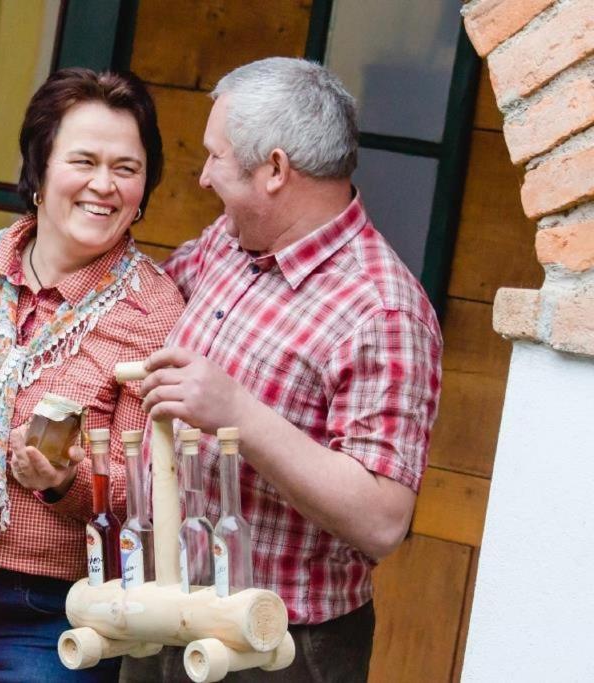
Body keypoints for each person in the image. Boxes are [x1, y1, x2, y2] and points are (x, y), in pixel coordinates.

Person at [121, 58, 443, 681]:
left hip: (279, 647)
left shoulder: (383, 312)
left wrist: (237, 413)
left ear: (274, 169)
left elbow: (382, 521)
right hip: (169, 616)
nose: (204, 174)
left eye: (217, 156)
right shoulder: (231, 240)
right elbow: (139, 298)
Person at [0, 68, 185, 682]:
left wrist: (62, 483)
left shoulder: (155, 314)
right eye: (84, 161)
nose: (104, 186)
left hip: (52, 618)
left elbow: (148, 493)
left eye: (126, 168)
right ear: (40, 169)